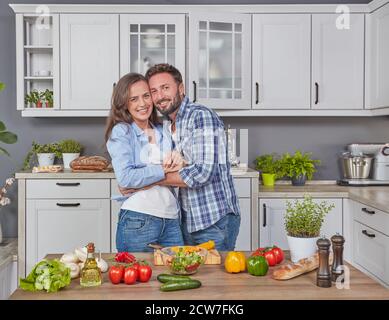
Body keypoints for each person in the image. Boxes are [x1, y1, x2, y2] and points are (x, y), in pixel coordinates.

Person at [122, 64, 241, 251]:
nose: (160, 96)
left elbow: (203, 173)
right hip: (186, 221)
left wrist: (146, 181)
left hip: (213, 221)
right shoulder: (167, 124)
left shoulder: (201, 116)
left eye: (165, 88)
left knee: (215, 278)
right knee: (190, 276)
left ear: (181, 88)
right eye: (153, 91)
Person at [105, 72, 185, 252]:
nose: (142, 104)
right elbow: (126, 178)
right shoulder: (122, 131)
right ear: (124, 104)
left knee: (177, 276)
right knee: (140, 278)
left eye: (146, 96)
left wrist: (145, 178)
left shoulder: (162, 129)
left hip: (171, 219)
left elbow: (182, 168)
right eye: (133, 99)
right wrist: (164, 169)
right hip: (139, 219)